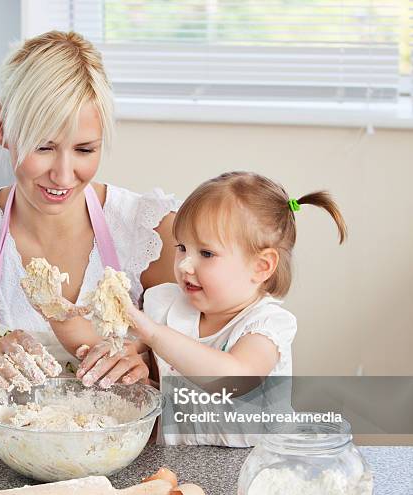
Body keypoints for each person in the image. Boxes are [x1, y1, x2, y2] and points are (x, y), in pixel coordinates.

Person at [0, 31, 179, 441]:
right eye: (43, 147)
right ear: (2, 129)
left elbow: (205, 407)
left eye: (84, 150)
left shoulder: (150, 230)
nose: (63, 175)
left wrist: (146, 370)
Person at [126, 171, 348, 446]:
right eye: (182, 247)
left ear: (261, 266)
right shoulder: (165, 306)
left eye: (206, 253)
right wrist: (132, 364)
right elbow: (147, 363)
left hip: (256, 468)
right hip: (181, 466)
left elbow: (232, 380)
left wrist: (154, 335)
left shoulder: (265, 325)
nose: (184, 265)